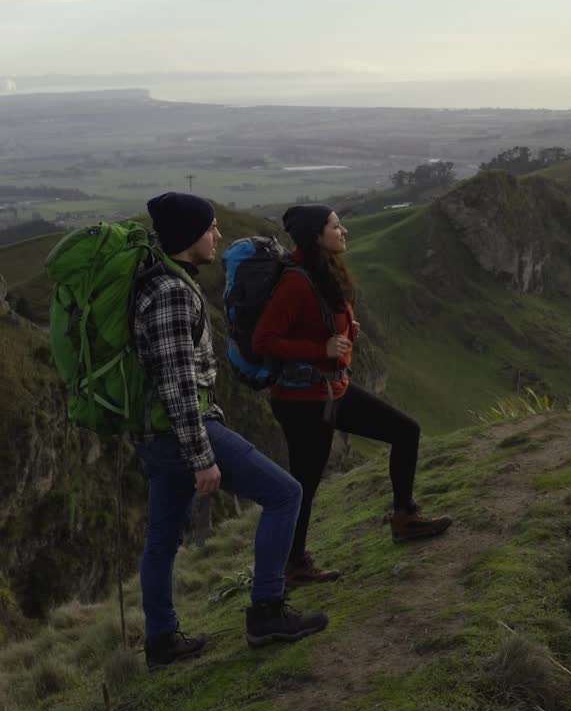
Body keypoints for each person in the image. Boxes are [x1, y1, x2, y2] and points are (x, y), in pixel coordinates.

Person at [133, 191, 328, 670]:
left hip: (157, 437)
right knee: (285, 494)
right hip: (185, 431)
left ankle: (161, 642)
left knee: (161, 542)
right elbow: (178, 383)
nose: (218, 234)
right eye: (211, 227)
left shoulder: (156, 284)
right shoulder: (172, 294)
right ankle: (267, 611)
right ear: (188, 236)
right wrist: (201, 456)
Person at [252, 204, 452, 587]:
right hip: (303, 401)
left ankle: (404, 517)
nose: (343, 231)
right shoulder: (296, 281)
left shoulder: (324, 271)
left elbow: (320, 323)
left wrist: (345, 331)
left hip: (332, 390)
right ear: (315, 235)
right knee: (304, 484)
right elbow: (265, 340)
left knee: (405, 431)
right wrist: (320, 350)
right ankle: (292, 566)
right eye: (335, 225)